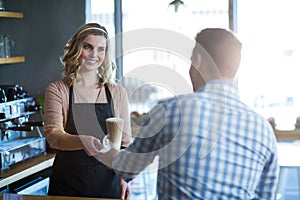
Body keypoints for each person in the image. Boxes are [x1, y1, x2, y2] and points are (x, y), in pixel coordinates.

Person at [98, 28, 279, 199]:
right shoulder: (264, 131)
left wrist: (105, 147)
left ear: (198, 61)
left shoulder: (170, 111)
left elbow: (126, 168)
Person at [43, 23, 132, 199]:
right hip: (68, 186)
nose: (94, 55)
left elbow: (125, 143)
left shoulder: (117, 92)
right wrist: (82, 141)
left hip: (107, 186)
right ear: (77, 49)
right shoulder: (58, 90)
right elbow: (53, 136)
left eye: (101, 49)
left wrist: (124, 176)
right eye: (88, 47)